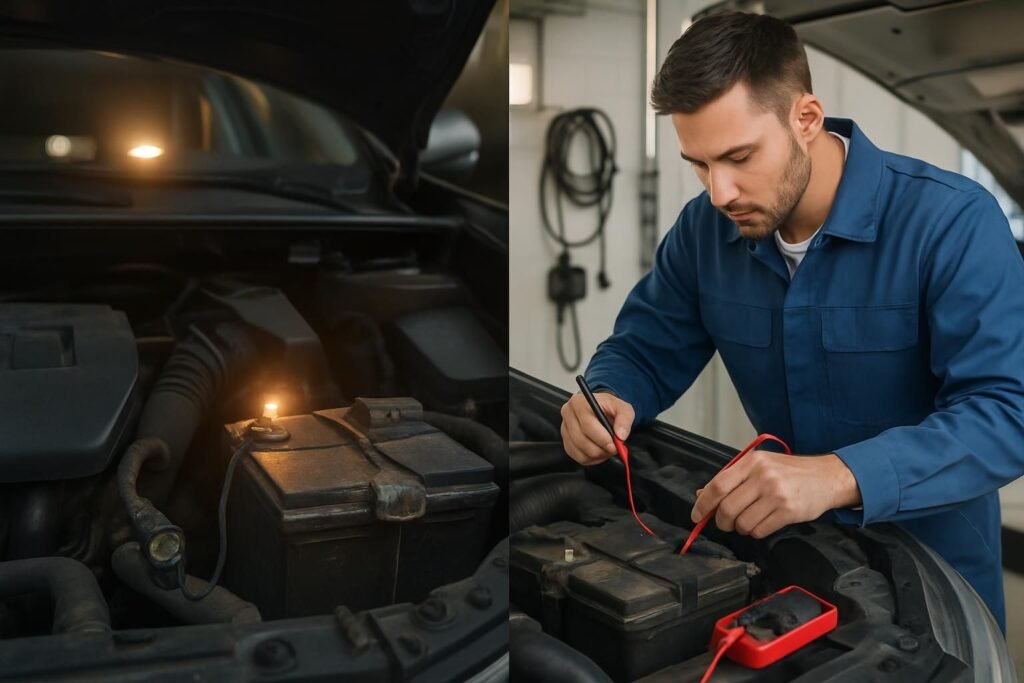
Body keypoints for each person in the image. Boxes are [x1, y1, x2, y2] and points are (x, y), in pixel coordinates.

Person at [559, 10, 1024, 632]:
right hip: (786, 561)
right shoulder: (705, 231)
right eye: (699, 164)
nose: (719, 191)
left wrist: (838, 475)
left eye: (739, 156)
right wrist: (608, 394)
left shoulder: (951, 223)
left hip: (936, 574)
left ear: (806, 118)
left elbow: (1007, 413)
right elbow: (646, 346)